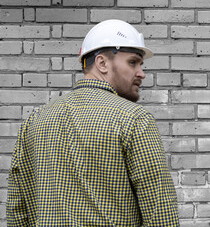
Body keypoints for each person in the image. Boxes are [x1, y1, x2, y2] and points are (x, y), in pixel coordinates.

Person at [6, 19, 180, 226]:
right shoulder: (134, 119)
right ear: (102, 63)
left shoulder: (36, 120)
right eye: (133, 62)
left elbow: (17, 207)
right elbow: (160, 211)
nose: (141, 73)